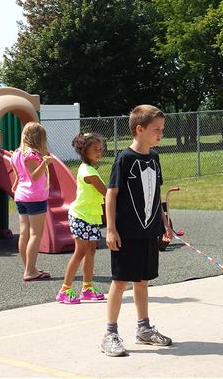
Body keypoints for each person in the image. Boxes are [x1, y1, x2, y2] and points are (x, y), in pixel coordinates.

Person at [101, 105, 174, 357]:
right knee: (120, 282)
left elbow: (154, 197)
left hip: (148, 233)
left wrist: (165, 223)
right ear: (139, 129)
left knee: (142, 281)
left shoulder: (154, 158)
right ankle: (110, 334)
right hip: (126, 233)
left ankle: (144, 329)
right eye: (156, 129)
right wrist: (111, 230)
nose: (161, 134)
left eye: (162, 129)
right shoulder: (125, 159)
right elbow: (111, 196)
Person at [56, 132, 108, 304]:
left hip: (91, 217)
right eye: (95, 149)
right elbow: (106, 192)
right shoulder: (88, 171)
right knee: (80, 252)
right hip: (81, 217)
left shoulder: (91, 169)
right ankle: (65, 289)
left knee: (91, 250)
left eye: (100, 149)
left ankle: (87, 287)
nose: (99, 152)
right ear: (84, 151)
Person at [12, 122, 52, 282]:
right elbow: (34, 175)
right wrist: (45, 163)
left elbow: (18, 176)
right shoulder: (31, 155)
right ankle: (30, 271)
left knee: (24, 233)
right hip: (34, 196)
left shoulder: (16, 153)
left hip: (22, 196)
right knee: (35, 234)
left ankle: (30, 267)